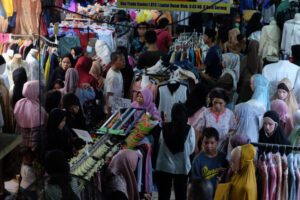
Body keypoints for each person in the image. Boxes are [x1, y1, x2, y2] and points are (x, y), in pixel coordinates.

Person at [156, 103, 195, 200]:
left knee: (163, 195)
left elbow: (160, 143)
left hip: (164, 165)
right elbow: (191, 148)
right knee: (181, 194)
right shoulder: (189, 129)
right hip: (182, 165)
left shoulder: (164, 127)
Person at [191, 127, 228, 197]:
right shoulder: (197, 160)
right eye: (206, 142)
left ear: (217, 142)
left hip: (220, 196)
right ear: (202, 142)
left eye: (212, 143)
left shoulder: (223, 158)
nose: (209, 146)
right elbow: (195, 183)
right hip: (203, 196)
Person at [14, 80, 48, 151]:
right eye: (39, 90)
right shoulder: (37, 109)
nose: (40, 92)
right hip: (32, 144)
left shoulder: (20, 103)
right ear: (35, 92)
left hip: (20, 141)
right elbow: (38, 132)